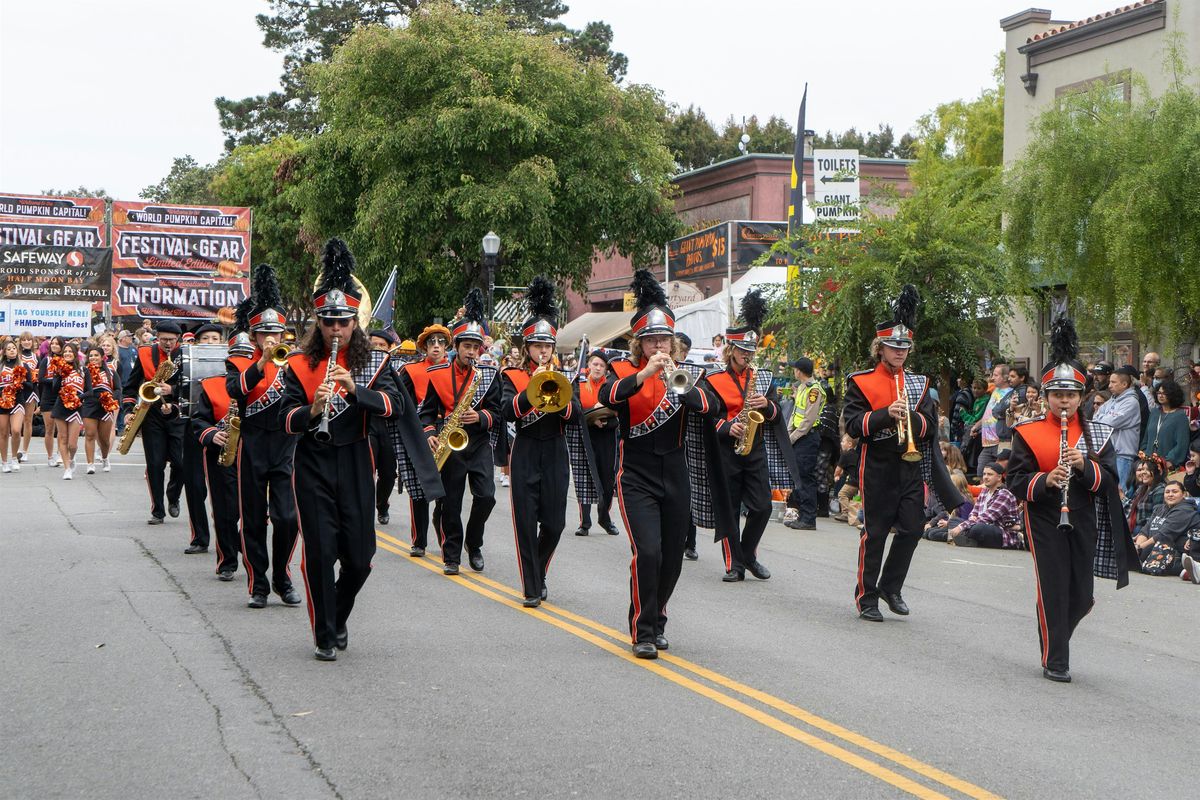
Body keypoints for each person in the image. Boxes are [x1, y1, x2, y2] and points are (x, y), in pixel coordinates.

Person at [279, 238, 428, 661]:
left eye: (343, 321)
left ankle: (338, 614)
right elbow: (283, 420)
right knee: (321, 552)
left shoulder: (373, 363)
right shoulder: (296, 365)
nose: (336, 329)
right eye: (328, 322)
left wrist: (355, 391)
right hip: (312, 462)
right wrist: (313, 408)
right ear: (318, 324)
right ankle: (324, 634)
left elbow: (396, 407)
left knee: (360, 559)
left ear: (354, 323)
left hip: (356, 459)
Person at [1007, 317, 1138, 683]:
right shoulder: (1027, 432)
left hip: (1082, 514)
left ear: (1082, 397)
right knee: (1053, 587)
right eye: (1057, 395)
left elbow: (1111, 480)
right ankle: (1056, 660)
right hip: (1043, 516)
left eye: (1071, 395)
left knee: (1081, 596)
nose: (1064, 401)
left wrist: (1083, 467)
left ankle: (1056, 637)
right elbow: (1016, 480)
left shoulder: (1098, 432)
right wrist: (1046, 479)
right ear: (1047, 396)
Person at [600, 269, 713, 658]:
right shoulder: (622, 371)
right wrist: (644, 375)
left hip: (676, 472)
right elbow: (607, 395)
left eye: (664, 339)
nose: (659, 345)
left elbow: (710, 408)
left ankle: (658, 615)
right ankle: (642, 630)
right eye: (651, 340)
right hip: (636, 473)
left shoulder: (688, 374)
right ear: (640, 343)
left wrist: (682, 391)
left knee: (671, 554)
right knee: (647, 551)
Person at [843, 285, 954, 621]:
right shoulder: (860, 381)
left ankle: (891, 586)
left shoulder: (919, 382)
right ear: (881, 349)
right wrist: (884, 415)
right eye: (894, 346)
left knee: (912, 527)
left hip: (910, 464)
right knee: (875, 532)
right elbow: (852, 424)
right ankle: (867, 597)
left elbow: (932, 426)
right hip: (875, 464)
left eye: (905, 346)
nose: (901, 351)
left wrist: (913, 420)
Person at [225, 265, 302, 607]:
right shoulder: (241, 364)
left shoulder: (297, 363)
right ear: (254, 336)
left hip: (286, 445)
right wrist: (261, 364)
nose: (272, 339)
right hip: (253, 444)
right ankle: (258, 583)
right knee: (253, 517)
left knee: (287, 517)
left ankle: (282, 577)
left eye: (277, 334)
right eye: (265, 334)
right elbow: (236, 391)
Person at [501, 277, 579, 606]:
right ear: (528, 348)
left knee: (555, 523)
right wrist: (530, 390)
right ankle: (532, 587)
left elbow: (575, 417)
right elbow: (507, 411)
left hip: (556, 451)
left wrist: (557, 394)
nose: (544, 350)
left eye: (548, 346)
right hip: (527, 449)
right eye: (538, 346)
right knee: (524, 521)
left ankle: (539, 568)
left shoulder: (565, 377)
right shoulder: (513, 375)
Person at [419, 288, 502, 575]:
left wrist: (479, 416)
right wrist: (430, 432)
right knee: (450, 503)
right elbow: (426, 412)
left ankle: (474, 542)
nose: (471, 352)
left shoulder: (489, 375)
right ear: (457, 345)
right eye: (466, 346)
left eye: (475, 347)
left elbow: (499, 413)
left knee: (487, 497)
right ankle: (451, 556)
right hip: (450, 443)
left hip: (478, 442)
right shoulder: (437, 374)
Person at [706, 291, 781, 582]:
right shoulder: (713, 379)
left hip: (755, 448)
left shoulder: (763, 377)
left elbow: (776, 412)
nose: (746, 354)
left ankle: (747, 554)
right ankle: (735, 564)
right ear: (730, 349)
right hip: (726, 449)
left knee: (762, 506)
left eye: (750, 350)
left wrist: (768, 405)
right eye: (741, 349)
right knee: (729, 509)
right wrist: (726, 427)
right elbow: (705, 416)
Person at [192, 327, 246, 580]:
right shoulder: (212, 384)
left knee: (255, 512)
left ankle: (253, 557)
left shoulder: (269, 384)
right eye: (237, 357)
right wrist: (212, 434)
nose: (242, 363)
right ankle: (228, 561)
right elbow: (199, 421)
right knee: (225, 511)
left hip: (255, 455)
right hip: (222, 453)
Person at [395, 322, 451, 556]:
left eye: (440, 342)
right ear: (424, 346)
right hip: (419, 429)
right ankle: (419, 540)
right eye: (431, 342)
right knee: (418, 487)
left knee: (448, 486)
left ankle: (445, 533)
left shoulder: (455, 370)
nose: (436, 347)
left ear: (447, 346)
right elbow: (403, 404)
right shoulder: (410, 370)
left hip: (448, 428)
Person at [123, 321, 186, 524]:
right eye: (164, 340)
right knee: (155, 464)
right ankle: (158, 510)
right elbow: (131, 386)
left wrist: (173, 390)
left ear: (178, 340)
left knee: (181, 463)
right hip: (152, 414)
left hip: (177, 414)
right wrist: (127, 410)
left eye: (172, 340)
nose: (168, 344)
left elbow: (194, 387)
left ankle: (173, 495)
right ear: (157, 337)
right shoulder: (145, 354)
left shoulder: (185, 356)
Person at [573, 349, 618, 538]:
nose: (598, 368)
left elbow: (618, 409)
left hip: (607, 436)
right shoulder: (579, 383)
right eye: (595, 364)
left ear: (606, 369)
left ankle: (604, 517)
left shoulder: (611, 385)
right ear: (588, 365)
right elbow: (575, 407)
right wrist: (592, 416)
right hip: (586, 435)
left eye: (601, 365)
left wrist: (605, 420)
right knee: (585, 478)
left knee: (607, 480)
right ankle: (585, 522)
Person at [942, 464, 1021, 548]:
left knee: (978, 528)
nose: (985, 477)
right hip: (979, 525)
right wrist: (972, 518)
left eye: (989, 474)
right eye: (984, 474)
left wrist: (961, 527)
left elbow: (986, 517)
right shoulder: (984, 492)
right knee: (952, 521)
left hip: (1002, 533)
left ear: (999, 477)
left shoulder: (1004, 494)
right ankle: (964, 539)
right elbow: (974, 513)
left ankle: (957, 537)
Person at [784, 357, 822, 531]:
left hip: (807, 438)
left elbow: (808, 420)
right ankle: (801, 514)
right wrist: (788, 433)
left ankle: (808, 518)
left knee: (806, 477)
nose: (794, 371)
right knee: (798, 476)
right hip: (799, 437)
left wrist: (791, 438)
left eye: (795, 369)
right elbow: (795, 414)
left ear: (799, 371)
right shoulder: (801, 387)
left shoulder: (814, 390)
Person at [368, 328, 401, 524]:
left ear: (390, 348)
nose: (378, 349)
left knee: (388, 473)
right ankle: (363, 507)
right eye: (374, 345)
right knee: (366, 468)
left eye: (382, 346)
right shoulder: (360, 365)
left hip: (389, 425)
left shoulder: (395, 368)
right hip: (368, 422)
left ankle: (382, 505)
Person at [1092, 365, 1142, 491]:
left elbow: (1109, 422)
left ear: (1124, 384)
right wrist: (1105, 417)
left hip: (1123, 455)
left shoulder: (1131, 402)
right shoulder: (1112, 400)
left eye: (1113, 382)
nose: (1109, 385)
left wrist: (1104, 417)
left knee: (1120, 491)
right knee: (1107, 491)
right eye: (1110, 382)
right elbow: (1095, 419)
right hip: (1109, 454)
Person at [1135, 480, 1197, 576]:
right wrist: (1137, 547)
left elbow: (1164, 535)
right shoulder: (1160, 509)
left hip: (1177, 552)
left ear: (1184, 494)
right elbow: (1145, 530)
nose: (1170, 494)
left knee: (1144, 556)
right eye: (1167, 492)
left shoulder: (1185, 510)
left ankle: (1188, 570)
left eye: (1175, 492)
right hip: (1155, 548)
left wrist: (1139, 548)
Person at [50, 342, 85, 479]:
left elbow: (89, 391)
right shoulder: (59, 369)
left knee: (72, 444)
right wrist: (59, 374)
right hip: (61, 406)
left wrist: (77, 397)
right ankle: (67, 469)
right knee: (63, 438)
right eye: (65, 352)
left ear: (75, 353)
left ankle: (72, 458)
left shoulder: (83, 370)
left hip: (76, 407)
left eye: (70, 351)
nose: (67, 354)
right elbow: (54, 389)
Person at [80, 347, 117, 473]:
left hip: (105, 405)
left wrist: (112, 399)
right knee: (89, 435)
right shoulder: (84, 371)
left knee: (104, 439)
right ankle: (90, 464)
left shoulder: (111, 372)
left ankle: (105, 458)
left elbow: (118, 389)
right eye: (91, 355)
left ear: (102, 357)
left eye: (96, 355)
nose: (93, 358)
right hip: (89, 404)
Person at [0, 339, 35, 472]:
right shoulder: (1, 365)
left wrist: (21, 380)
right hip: (2, 401)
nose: (12, 350)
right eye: (8, 349)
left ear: (17, 350)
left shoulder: (23, 365)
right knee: (3, 433)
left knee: (15, 430)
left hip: (18, 401)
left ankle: (14, 458)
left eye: (13, 348)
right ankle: (4, 462)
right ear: (4, 352)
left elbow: (31, 386)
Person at [1141, 379, 1190, 472]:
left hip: (1167, 465)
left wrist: (1169, 461)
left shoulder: (1180, 416)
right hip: (1148, 463)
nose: (1160, 395)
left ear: (1173, 395)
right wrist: (1144, 453)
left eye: (1165, 393)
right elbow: (1146, 437)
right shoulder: (1155, 413)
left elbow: (1181, 444)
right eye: (1159, 393)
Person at [972, 363, 1011, 476]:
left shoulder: (1010, 393)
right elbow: (987, 414)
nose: (992, 378)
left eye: (995, 375)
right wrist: (977, 426)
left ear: (1005, 377)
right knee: (981, 472)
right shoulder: (995, 391)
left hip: (1000, 442)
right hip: (987, 442)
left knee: (1000, 475)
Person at [37, 336, 65, 465]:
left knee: (61, 428)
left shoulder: (66, 360)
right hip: (48, 397)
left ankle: (61, 453)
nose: (54, 346)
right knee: (49, 428)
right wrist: (55, 381)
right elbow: (41, 379)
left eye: (57, 344)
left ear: (62, 346)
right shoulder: (46, 360)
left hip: (62, 396)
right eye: (52, 343)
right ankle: (50, 457)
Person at [1127, 457, 1165, 540]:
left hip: (1146, 531)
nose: (1143, 473)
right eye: (1142, 469)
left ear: (1157, 472)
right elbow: (1129, 510)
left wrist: (1142, 533)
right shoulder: (1142, 488)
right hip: (1136, 527)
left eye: (1147, 469)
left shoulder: (1160, 490)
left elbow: (1156, 517)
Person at [16, 331, 39, 462]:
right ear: (20, 342)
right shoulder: (16, 356)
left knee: (28, 420)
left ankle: (24, 451)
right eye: (24, 340)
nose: (26, 342)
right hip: (17, 391)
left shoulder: (36, 357)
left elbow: (38, 376)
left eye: (29, 340)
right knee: (16, 422)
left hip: (31, 391)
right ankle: (15, 448)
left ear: (32, 342)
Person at [832, 434, 861, 528]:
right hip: (859, 481)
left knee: (842, 494)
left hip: (852, 481)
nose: (841, 443)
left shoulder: (845, 454)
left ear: (849, 444)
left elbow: (838, 469)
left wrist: (836, 475)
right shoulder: (856, 454)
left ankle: (846, 513)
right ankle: (854, 515)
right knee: (851, 497)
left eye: (843, 442)